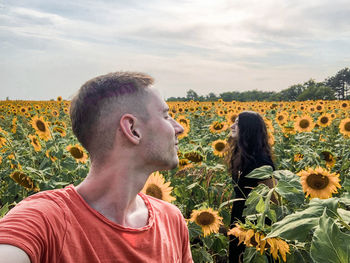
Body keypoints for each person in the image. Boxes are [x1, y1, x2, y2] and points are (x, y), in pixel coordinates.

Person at [0, 72, 193, 263]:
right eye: (166, 116)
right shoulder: (46, 220)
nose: (179, 128)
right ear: (133, 129)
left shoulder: (172, 220)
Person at [225, 111, 275, 263]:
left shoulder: (261, 161)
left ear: (248, 129)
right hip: (240, 216)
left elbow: (272, 198)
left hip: (255, 223)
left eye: (237, 123)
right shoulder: (241, 155)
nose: (232, 125)